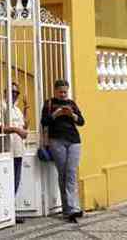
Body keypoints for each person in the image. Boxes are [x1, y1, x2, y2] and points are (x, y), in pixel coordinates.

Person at [41, 79, 85, 223]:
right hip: (56, 141)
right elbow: (44, 122)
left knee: (71, 173)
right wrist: (56, 114)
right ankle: (67, 209)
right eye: (60, 92)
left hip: (74, 140)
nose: (63, 94)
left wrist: (72, 115)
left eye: (65, 92)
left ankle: (72, 208)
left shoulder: (71, 103)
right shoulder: (49, 104)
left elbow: (81, 122)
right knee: (63, 174)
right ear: (55, 91)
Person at [1, 82, 28, 223]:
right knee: (8, 182)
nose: (14, 95)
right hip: (7, 150)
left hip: (18, 150)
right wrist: (16, 130)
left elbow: (25, 125)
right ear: (5, 92)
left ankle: (11, 210)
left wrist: (27, 108)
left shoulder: (16, 109)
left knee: (15, 182)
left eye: (16, 93)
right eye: (11, 92)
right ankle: (7, 212)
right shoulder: (1, 106)